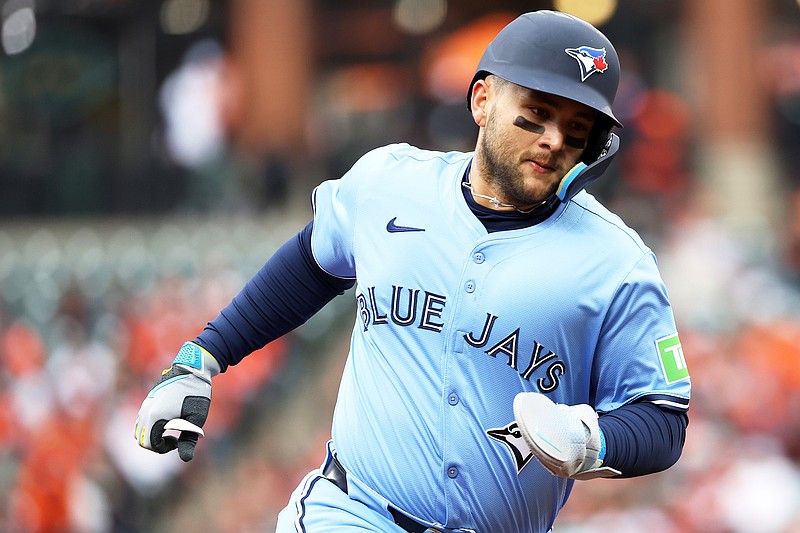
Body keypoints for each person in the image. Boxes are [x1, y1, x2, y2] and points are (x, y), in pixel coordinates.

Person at [135, 10, 690, 533]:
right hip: (353, 511)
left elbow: (663, 417)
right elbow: (309, 265)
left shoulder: (617, 260)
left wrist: (595, 440)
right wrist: (202, 357)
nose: (553, 140)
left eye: (577, 129)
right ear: (482, 99)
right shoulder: (389, 183)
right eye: (538, 112)